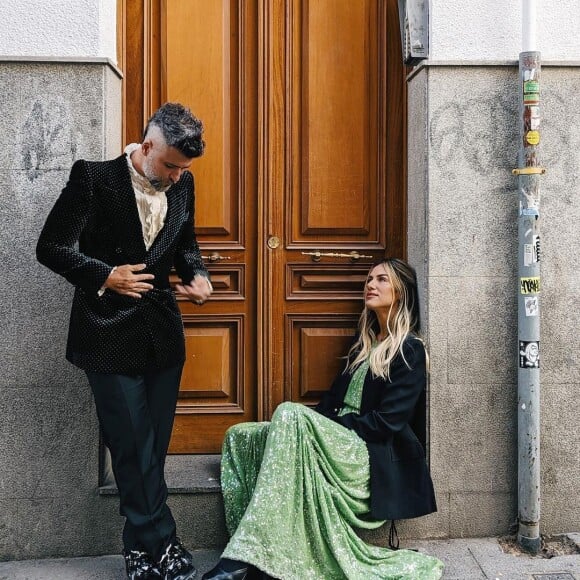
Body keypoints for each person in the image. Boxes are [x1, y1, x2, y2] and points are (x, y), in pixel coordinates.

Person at [36, 102, 212, 580]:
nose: (177, 177)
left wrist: (198, 275)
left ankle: (139, 553)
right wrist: (105, 275)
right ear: (148, 145)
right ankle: (163, 542)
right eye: (171, 165)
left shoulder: (184, 184)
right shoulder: (93, 178)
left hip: (163, 338)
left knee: (149, 449)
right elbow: (50, 246)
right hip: (106, 332)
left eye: (185, 169)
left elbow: (186, 244)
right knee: (131, 445)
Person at [202, 258, 444, 580]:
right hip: (337, 441)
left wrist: (319, 429)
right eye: (369, 279)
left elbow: (387, 423)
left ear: (400, 292)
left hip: (367, 454)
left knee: (290, 411)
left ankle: (239, 563)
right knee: (241, 435)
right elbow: (329, 405)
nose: (370, 284)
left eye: (382, 280)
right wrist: (305, 427)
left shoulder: (409, 350)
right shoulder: (362, 346)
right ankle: (259, 551)